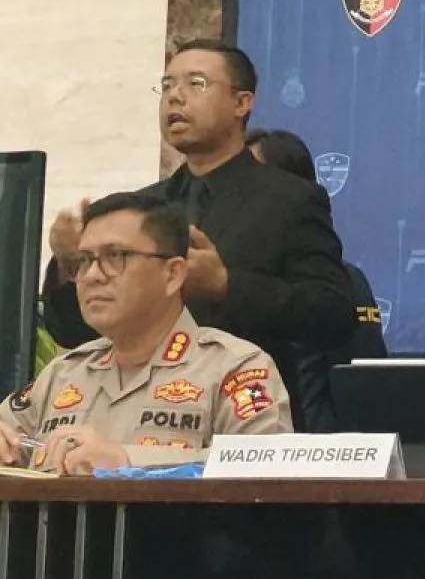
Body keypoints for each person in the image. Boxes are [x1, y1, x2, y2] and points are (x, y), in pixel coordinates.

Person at [40, 41, 354, 431]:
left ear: (242, 103)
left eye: (196, 83)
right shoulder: (142, 209)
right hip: (132, 423)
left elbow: (334, 315)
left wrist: (227, 285)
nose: (175, 97)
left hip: (246, 419)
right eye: (167, 86)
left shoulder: (290, 200)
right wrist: (69, 264)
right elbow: (71, 331)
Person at [0, 193, 292, 475]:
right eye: (84, 260)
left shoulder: (234, 368)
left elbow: (268, 470)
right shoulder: (62, 375)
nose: (92, 276)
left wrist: (129, 462)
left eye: (116, 256)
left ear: (173, 274)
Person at [246, 128, 388, 431]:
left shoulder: (339, 281)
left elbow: (366, 387)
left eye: (249, 180)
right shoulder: (218, 281)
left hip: (315, 451)